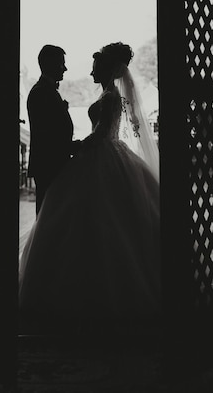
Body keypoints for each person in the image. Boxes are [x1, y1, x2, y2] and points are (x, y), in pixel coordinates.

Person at [19, 42, 161, 335]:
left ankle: (75, 285)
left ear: (106, 69)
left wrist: (82, 146)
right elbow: (48, 133)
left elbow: (102, 133)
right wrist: (76, 146)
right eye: (62, 63)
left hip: (98, 153)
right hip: (69, 158)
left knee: (93, 220)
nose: (84, 70)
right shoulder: (44, 93)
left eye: (95, 66)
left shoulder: (109, 97)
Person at [26, 44, 80, 215]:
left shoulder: (47, 90)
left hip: (53, 163)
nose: (65, 68)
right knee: (47, 215)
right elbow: (46, 136)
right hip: (48, 165)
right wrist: (73, 146)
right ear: (49, 64)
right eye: (61, 63)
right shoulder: (40, 92)